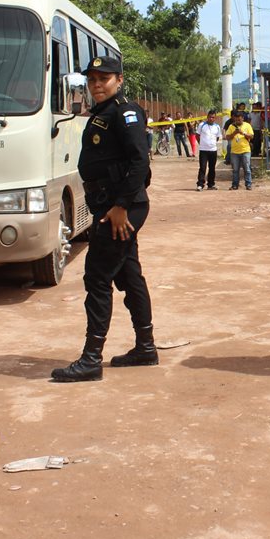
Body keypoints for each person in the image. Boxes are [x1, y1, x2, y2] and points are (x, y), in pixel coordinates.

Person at [52, 53, 155, 383]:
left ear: (119, 80)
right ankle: (146, 347)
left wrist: (122, 205)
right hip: (109, 206)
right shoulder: (103, 113)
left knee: (97, 277)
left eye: (104, 79)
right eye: (93, 79)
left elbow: (140, 163)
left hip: (120, 208)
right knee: (129, 275)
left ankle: (91, 359)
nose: (97, 84)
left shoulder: (125, 113)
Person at [224, 109, 255, 190]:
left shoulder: (247, 126)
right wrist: (234, 133)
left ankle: (248, 184)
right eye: (237, 119)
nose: (238, 121)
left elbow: (251, 136)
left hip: (245, 150)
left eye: (240, 119)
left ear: (243, 119)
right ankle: (235, 185)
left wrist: (243, 133)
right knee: (235, 170)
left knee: (247, 169)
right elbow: (227, 137)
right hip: (234, 152)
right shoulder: (231, 126)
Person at [196, 110, 223, 191]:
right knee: (202, 168)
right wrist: (201, 143)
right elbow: (197, 135)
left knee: (212, 168)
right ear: (207, 117)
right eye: (210, 117)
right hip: (203, 150)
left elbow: (217, 137)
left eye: (213, 117)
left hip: (213, 150)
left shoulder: (217, 127)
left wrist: (212, 143)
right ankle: (200, 184)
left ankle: (211, 184)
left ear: (215, 118)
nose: (211, 119)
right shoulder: (202, 125)